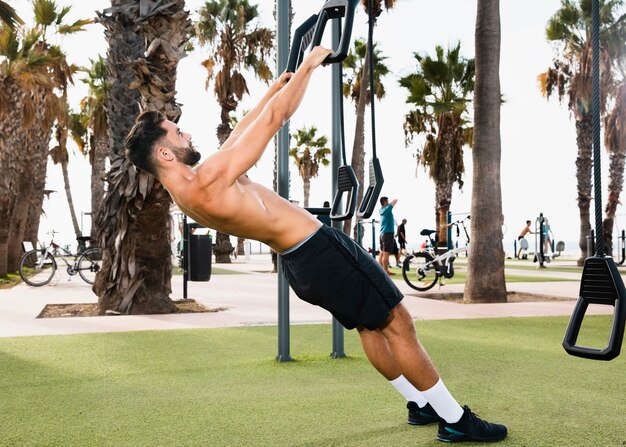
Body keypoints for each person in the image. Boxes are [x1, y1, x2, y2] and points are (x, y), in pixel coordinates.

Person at [124, 46, 507, 443]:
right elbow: (276, 119)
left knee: (369, 327)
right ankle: (454, 419)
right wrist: (310, 65)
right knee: (397, 322)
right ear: (166, 152)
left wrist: (274, 88)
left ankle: (418, 402)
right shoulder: (206, 180)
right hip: (321, 252)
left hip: (302, 266)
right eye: (176, 130)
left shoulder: (188, 193)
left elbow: (239, 134)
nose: (186, 132)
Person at [378, 197, 398, 275]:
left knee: (382, 253)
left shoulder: (381, 210)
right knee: (386, 253)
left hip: (382, 234)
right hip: (388, 234)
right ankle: (385, 271)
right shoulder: (386, 209)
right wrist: (389, 205)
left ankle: (380, 269)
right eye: (387, 201)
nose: (388, 202)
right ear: (385, 202)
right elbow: (395, 200)